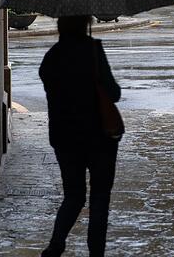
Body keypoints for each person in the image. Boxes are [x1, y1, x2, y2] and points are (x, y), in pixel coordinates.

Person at [39, 15, 121, 257]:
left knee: (73, 196)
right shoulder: (93, 50)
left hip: (65, 137)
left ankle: (55, 245)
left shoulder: (52, 57)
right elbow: (113, 93)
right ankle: (96, 253)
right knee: (100, 197)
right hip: (100, 137)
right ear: (85, 22)